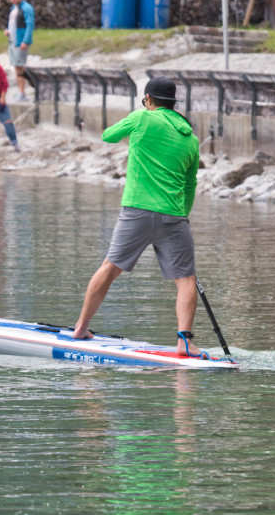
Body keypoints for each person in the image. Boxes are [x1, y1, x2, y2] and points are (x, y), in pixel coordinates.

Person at [71, 77, 203, 358]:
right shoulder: (191, 139)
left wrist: (138, 120)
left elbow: (108, 135)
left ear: (148, 100)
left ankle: (81, 327)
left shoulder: (143, 118)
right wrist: (183, 214)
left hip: (137, 211)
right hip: (175, 216)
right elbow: (191, 185)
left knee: (110, 267)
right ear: (173, 103)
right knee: (185, 279)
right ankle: (185, 341)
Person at [3, 0, 34, 101]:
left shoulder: (26, 8)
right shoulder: (13, 9)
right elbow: (12, 24)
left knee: (20, 67)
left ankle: (23, 92)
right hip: (12, 41)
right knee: (16, 67)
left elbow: (29, 25)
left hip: (20, 42)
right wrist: (7, 31)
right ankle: (21, 92)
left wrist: (25, 41)